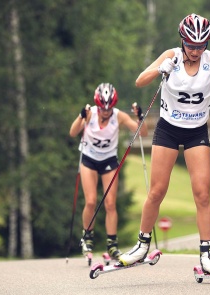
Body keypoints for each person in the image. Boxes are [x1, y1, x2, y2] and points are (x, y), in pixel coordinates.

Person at [118, 13, 210, 274]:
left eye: (200, 45)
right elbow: (139, 81)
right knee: (157, 191)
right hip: (168, 130)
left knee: (203, 193)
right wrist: (160, 70)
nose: (195, 51)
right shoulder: (170, 55)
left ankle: (207, 255)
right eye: (191, 45)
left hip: (196, 132)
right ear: (182, 41)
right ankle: (141, 245)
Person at [69, 83, 148, 260]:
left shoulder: (119, 116)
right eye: (103, 108)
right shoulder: (90, 113)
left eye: (109, 108)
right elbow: (73, 132)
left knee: (110, 203)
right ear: (98, 104)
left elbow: (142, 133)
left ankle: (112, 245)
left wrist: (140, 117)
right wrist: (81, 116)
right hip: (89, 160)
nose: (106, 112)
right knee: (90, 202)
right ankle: (87, 238)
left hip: (108, 161)